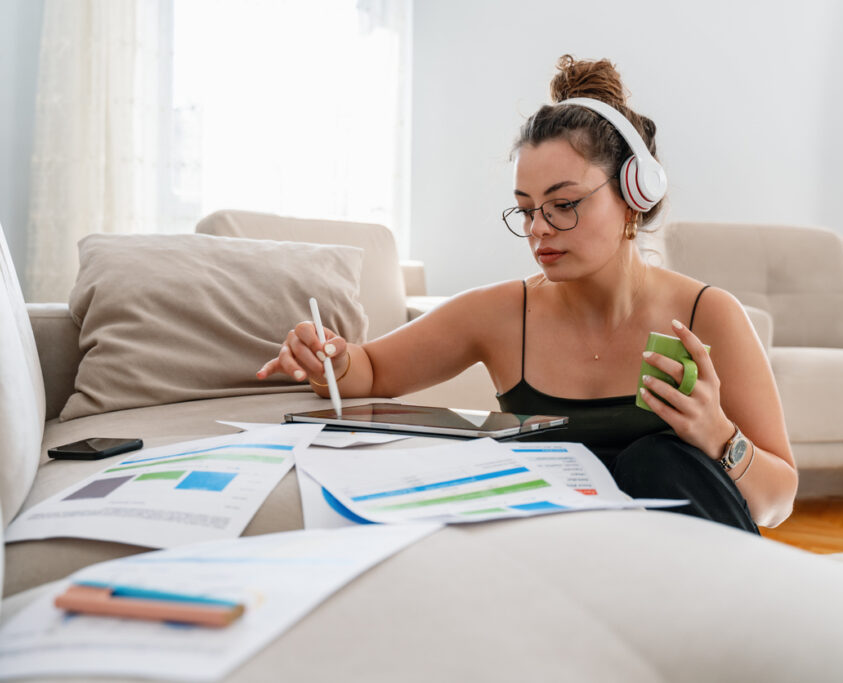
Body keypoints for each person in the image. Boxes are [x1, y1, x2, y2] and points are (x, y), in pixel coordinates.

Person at [257, 55, 797, 532]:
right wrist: (325, 355)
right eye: (526, 208)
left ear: (634, 197)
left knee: (658, 462)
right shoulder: (498, 313)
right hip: (556, 566)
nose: (539, 228)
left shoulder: (708, 316)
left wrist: (718, 435)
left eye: (564, 204)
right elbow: (370, 370)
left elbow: (777, 503)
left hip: (686, 581)